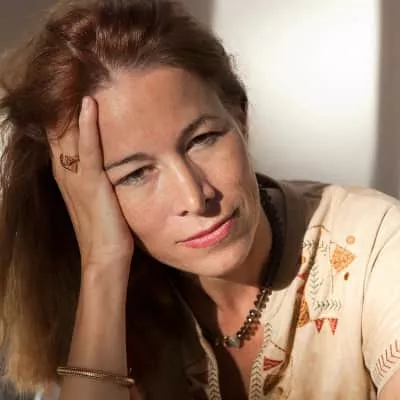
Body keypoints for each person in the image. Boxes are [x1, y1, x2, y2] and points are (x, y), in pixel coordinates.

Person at [0, 0, 400, 399]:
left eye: (203, 139)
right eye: (136, 173)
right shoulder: (98, 309)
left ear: (240, 117)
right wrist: (103, 264)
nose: (194, 197)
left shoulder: (374, 246)